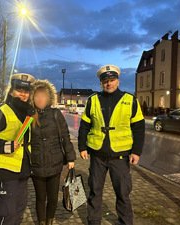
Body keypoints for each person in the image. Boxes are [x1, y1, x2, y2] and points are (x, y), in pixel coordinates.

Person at [78, 65, 145, 225]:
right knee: (95, 192)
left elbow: (139, 127)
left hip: (120, 157)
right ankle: (94, 221)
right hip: (97, 156)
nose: (109, 83)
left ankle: (125, 222)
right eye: (105, 81)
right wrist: (82, 147)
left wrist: (136, 152)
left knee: (123, 194)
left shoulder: (130, 100)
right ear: (101, 83)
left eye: (112, 80)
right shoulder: (92, 100)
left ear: (118, 81)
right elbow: (84, 126)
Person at [0, 73, 36, 225]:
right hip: (6, 171)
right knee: (6, 216)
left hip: (22, 169)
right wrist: (4, 146)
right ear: (11, 91)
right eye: (19, 90)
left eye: (26, 91)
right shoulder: (0, 110)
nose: (23, 94)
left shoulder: (27, 112)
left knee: (18, 212)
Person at [29, 79, 76, 225]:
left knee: (53, 198)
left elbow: (65, 137)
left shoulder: (56, 114)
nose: (40, 99)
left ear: (49, 97)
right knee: (40, 198)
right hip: (36, 164)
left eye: (43, 95)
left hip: (55, 163)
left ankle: (49, 221)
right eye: (37, 96)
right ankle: (42, 222)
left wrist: (71, 158)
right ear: (33, 98)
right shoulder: (29, 116)